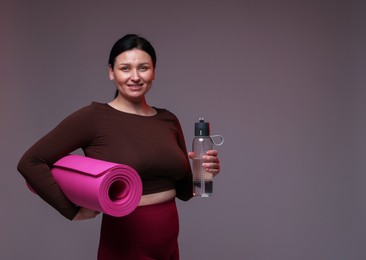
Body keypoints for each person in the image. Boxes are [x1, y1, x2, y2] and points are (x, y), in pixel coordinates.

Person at [17, 34, 221, 259]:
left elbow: (183, 192)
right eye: (125, 68)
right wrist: (72, 211)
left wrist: (205, 173)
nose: (135, 77)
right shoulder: (94, 117)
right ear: (111, 72)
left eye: (143, 68)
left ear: (154, 71)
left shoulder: (168, 120)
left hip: (169, 246)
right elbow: (31, 161)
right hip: (125, 246)